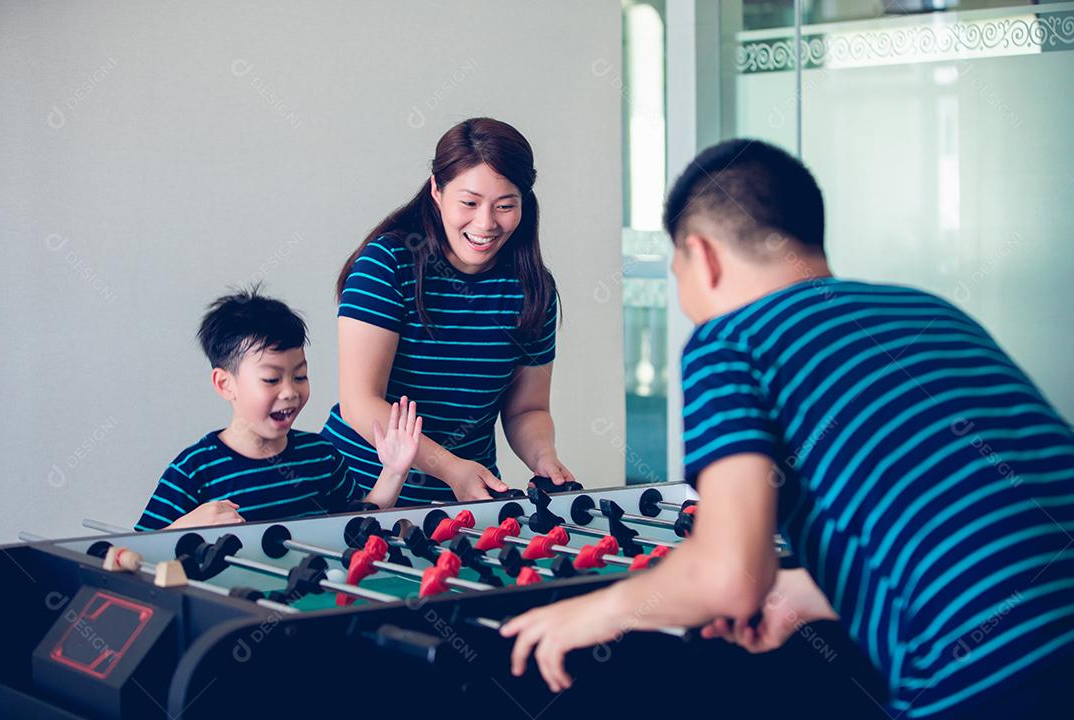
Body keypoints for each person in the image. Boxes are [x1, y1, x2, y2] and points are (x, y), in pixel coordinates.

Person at [502, 139, 1074, 719]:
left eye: (677, 272)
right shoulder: (929, 310)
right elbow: (969, 510)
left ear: (702, 256)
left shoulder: (731, 342)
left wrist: (591, 612)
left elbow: (729, 577)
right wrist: (807, 590)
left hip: (994, 677)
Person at [322, 117, 573, 506]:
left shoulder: (532, 287)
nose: (486, 223)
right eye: (469, 203)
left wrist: (545, 460)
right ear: (437, 190)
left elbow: (529, 409)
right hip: (361, 491)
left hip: (468, 499)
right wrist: (450, 467)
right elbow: (361, 403)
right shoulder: (387, 266)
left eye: (505, 205)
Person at [136, 288, 420, 530]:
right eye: (271, 379)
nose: (290, 392)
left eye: (300, 376)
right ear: (225, 384)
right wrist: (181, 530)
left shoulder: (321, 456)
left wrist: (394, 472)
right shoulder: (194, 470)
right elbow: (134, 554)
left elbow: (358, 528)